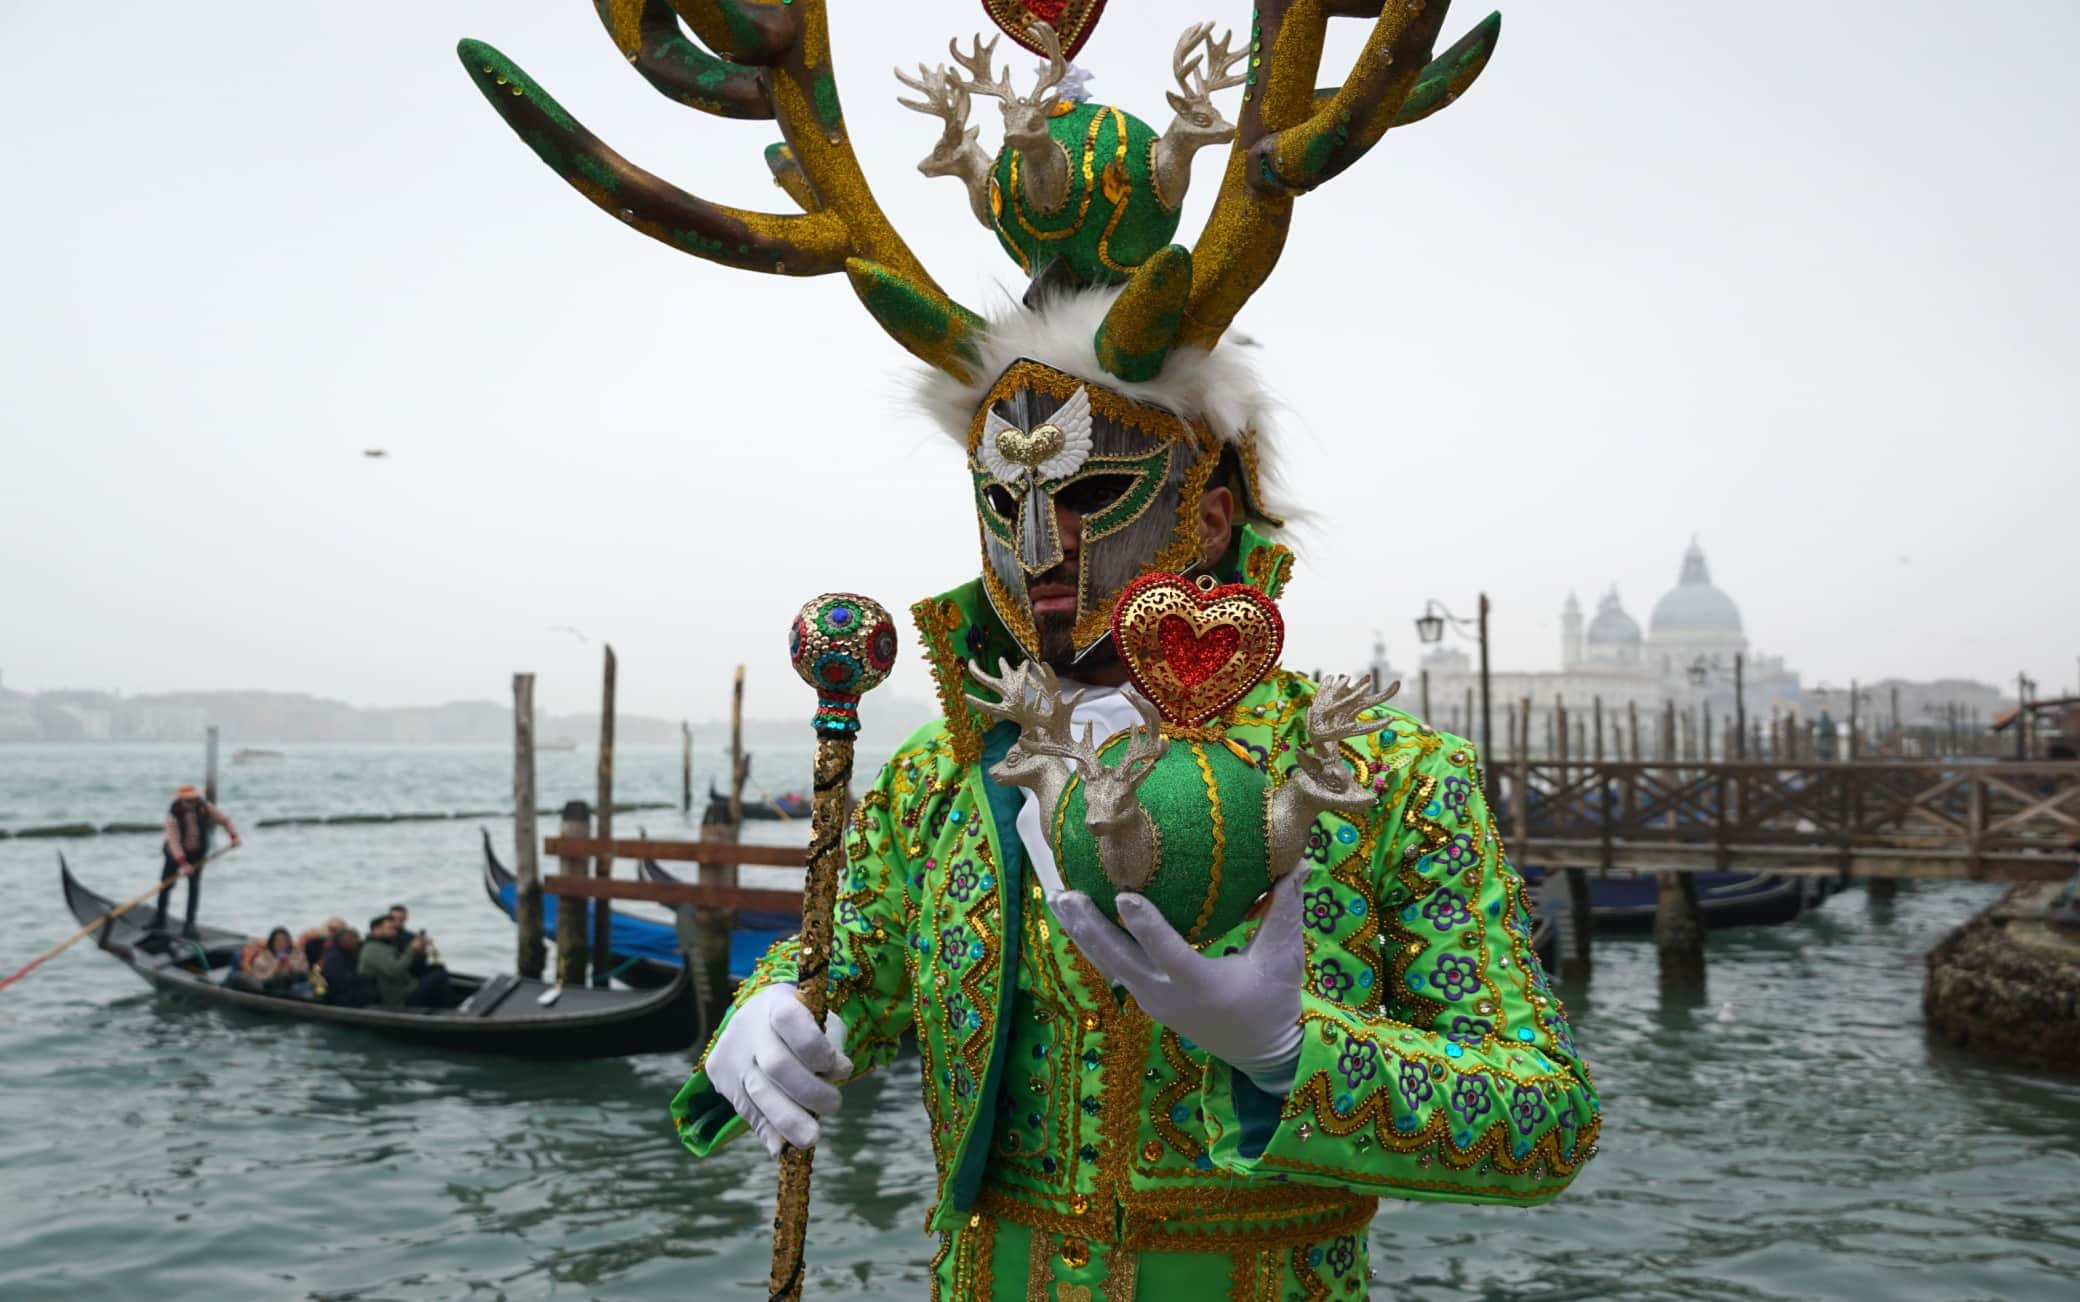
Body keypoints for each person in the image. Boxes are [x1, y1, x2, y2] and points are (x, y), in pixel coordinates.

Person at [471, 5, 1600, 1292]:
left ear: (1207, 508)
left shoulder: (1387, 780)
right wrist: (767, 1011)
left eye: (1089, 496)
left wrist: (1295, 1048)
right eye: (1003, 505)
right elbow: (849, 966)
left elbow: (1545, 1119)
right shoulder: (944, 786)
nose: (1039, 552)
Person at [147, 784, 239, 937]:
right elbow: (174, 842)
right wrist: (183, 863)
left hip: (197, 854)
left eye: (195, 800)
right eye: (189, 801)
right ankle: (159, 919)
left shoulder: (205, 807)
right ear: (181, 801)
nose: (193, 804)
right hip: (175, 854)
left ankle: (190, 925)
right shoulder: (173, 816)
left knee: (194, 888)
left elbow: (224, 820)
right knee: (166, 885)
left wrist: (233, 836)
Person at [358, 914, 451, 1009]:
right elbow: (394, 971)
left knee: (438, 968)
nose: (394, 932)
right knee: (440, 977)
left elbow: (406, 965)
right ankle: (445, 1011)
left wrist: (420, 952)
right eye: (390, 929)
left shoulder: (384, 945)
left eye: (394, 929)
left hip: (406, 987)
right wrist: (411, 949)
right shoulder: (373, 949)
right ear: (376, 930)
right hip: (397, 998)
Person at [316, 927, 369, 1006]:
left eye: (356, 937)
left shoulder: (352, 952)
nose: (356, 941)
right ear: (342, 941)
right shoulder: (334, 959)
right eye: (352, 938)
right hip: (338, 999)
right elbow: (339, 982)